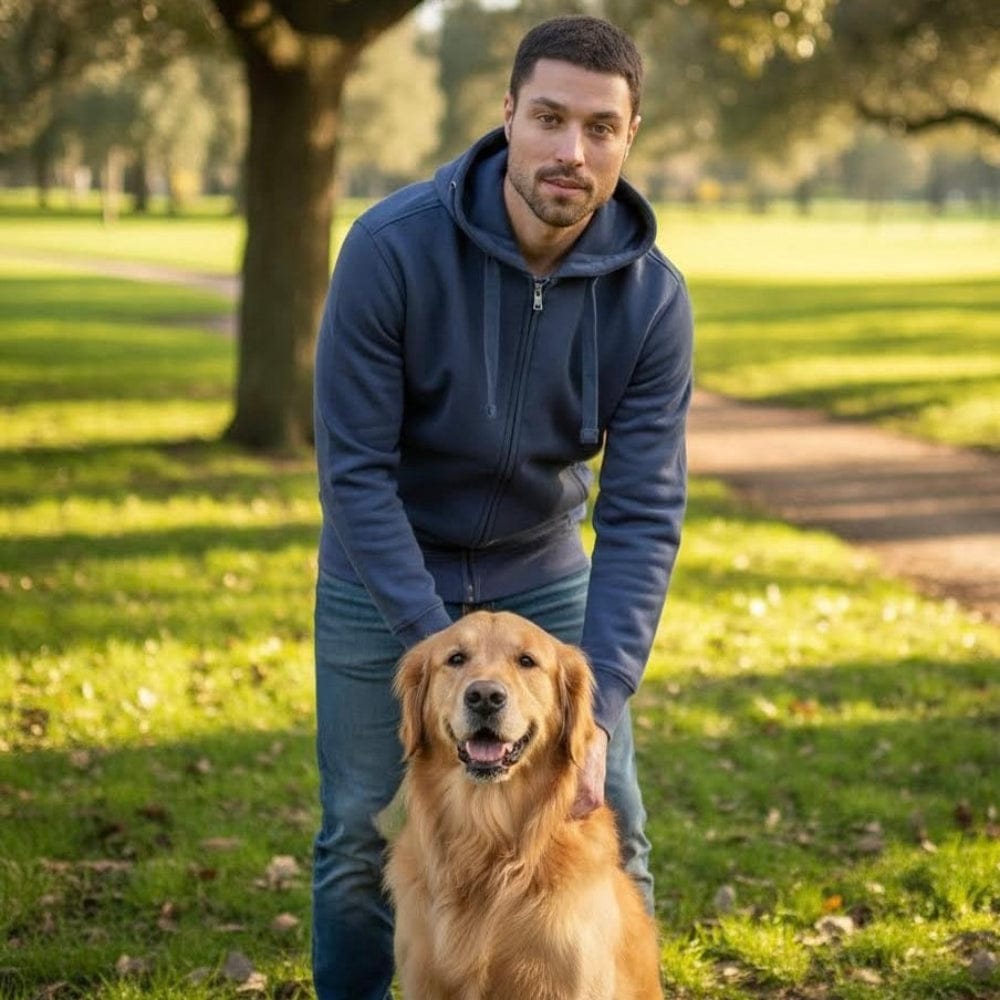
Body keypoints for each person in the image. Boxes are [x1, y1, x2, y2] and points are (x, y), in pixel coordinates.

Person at [311, 14, 693, 1000]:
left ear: (628, 137)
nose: (572, 150)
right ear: (507, 117)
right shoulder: (389, 249)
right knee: (359, 829)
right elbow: (353, 469)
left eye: (600, 128)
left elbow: (643, 509)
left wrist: (597, 696)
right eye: (551, 118)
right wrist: (433, 652)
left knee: (612, 823)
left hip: (538, 570)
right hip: (383, 567)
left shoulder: (651, 298)